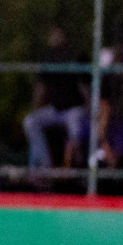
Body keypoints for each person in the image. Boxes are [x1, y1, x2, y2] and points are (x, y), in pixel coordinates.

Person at [23, 26, 88, 172]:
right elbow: (40, 87)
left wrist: (91, 109)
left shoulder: (76, 56)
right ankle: (46, 167)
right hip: (55, 109)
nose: (55, 38)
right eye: (52, 35)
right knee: (30, 122)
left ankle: (74, 170)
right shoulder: (48, 57)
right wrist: (35, 108)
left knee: (75, 129)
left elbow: (84, 86)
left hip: (74, 109)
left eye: (58, 34)